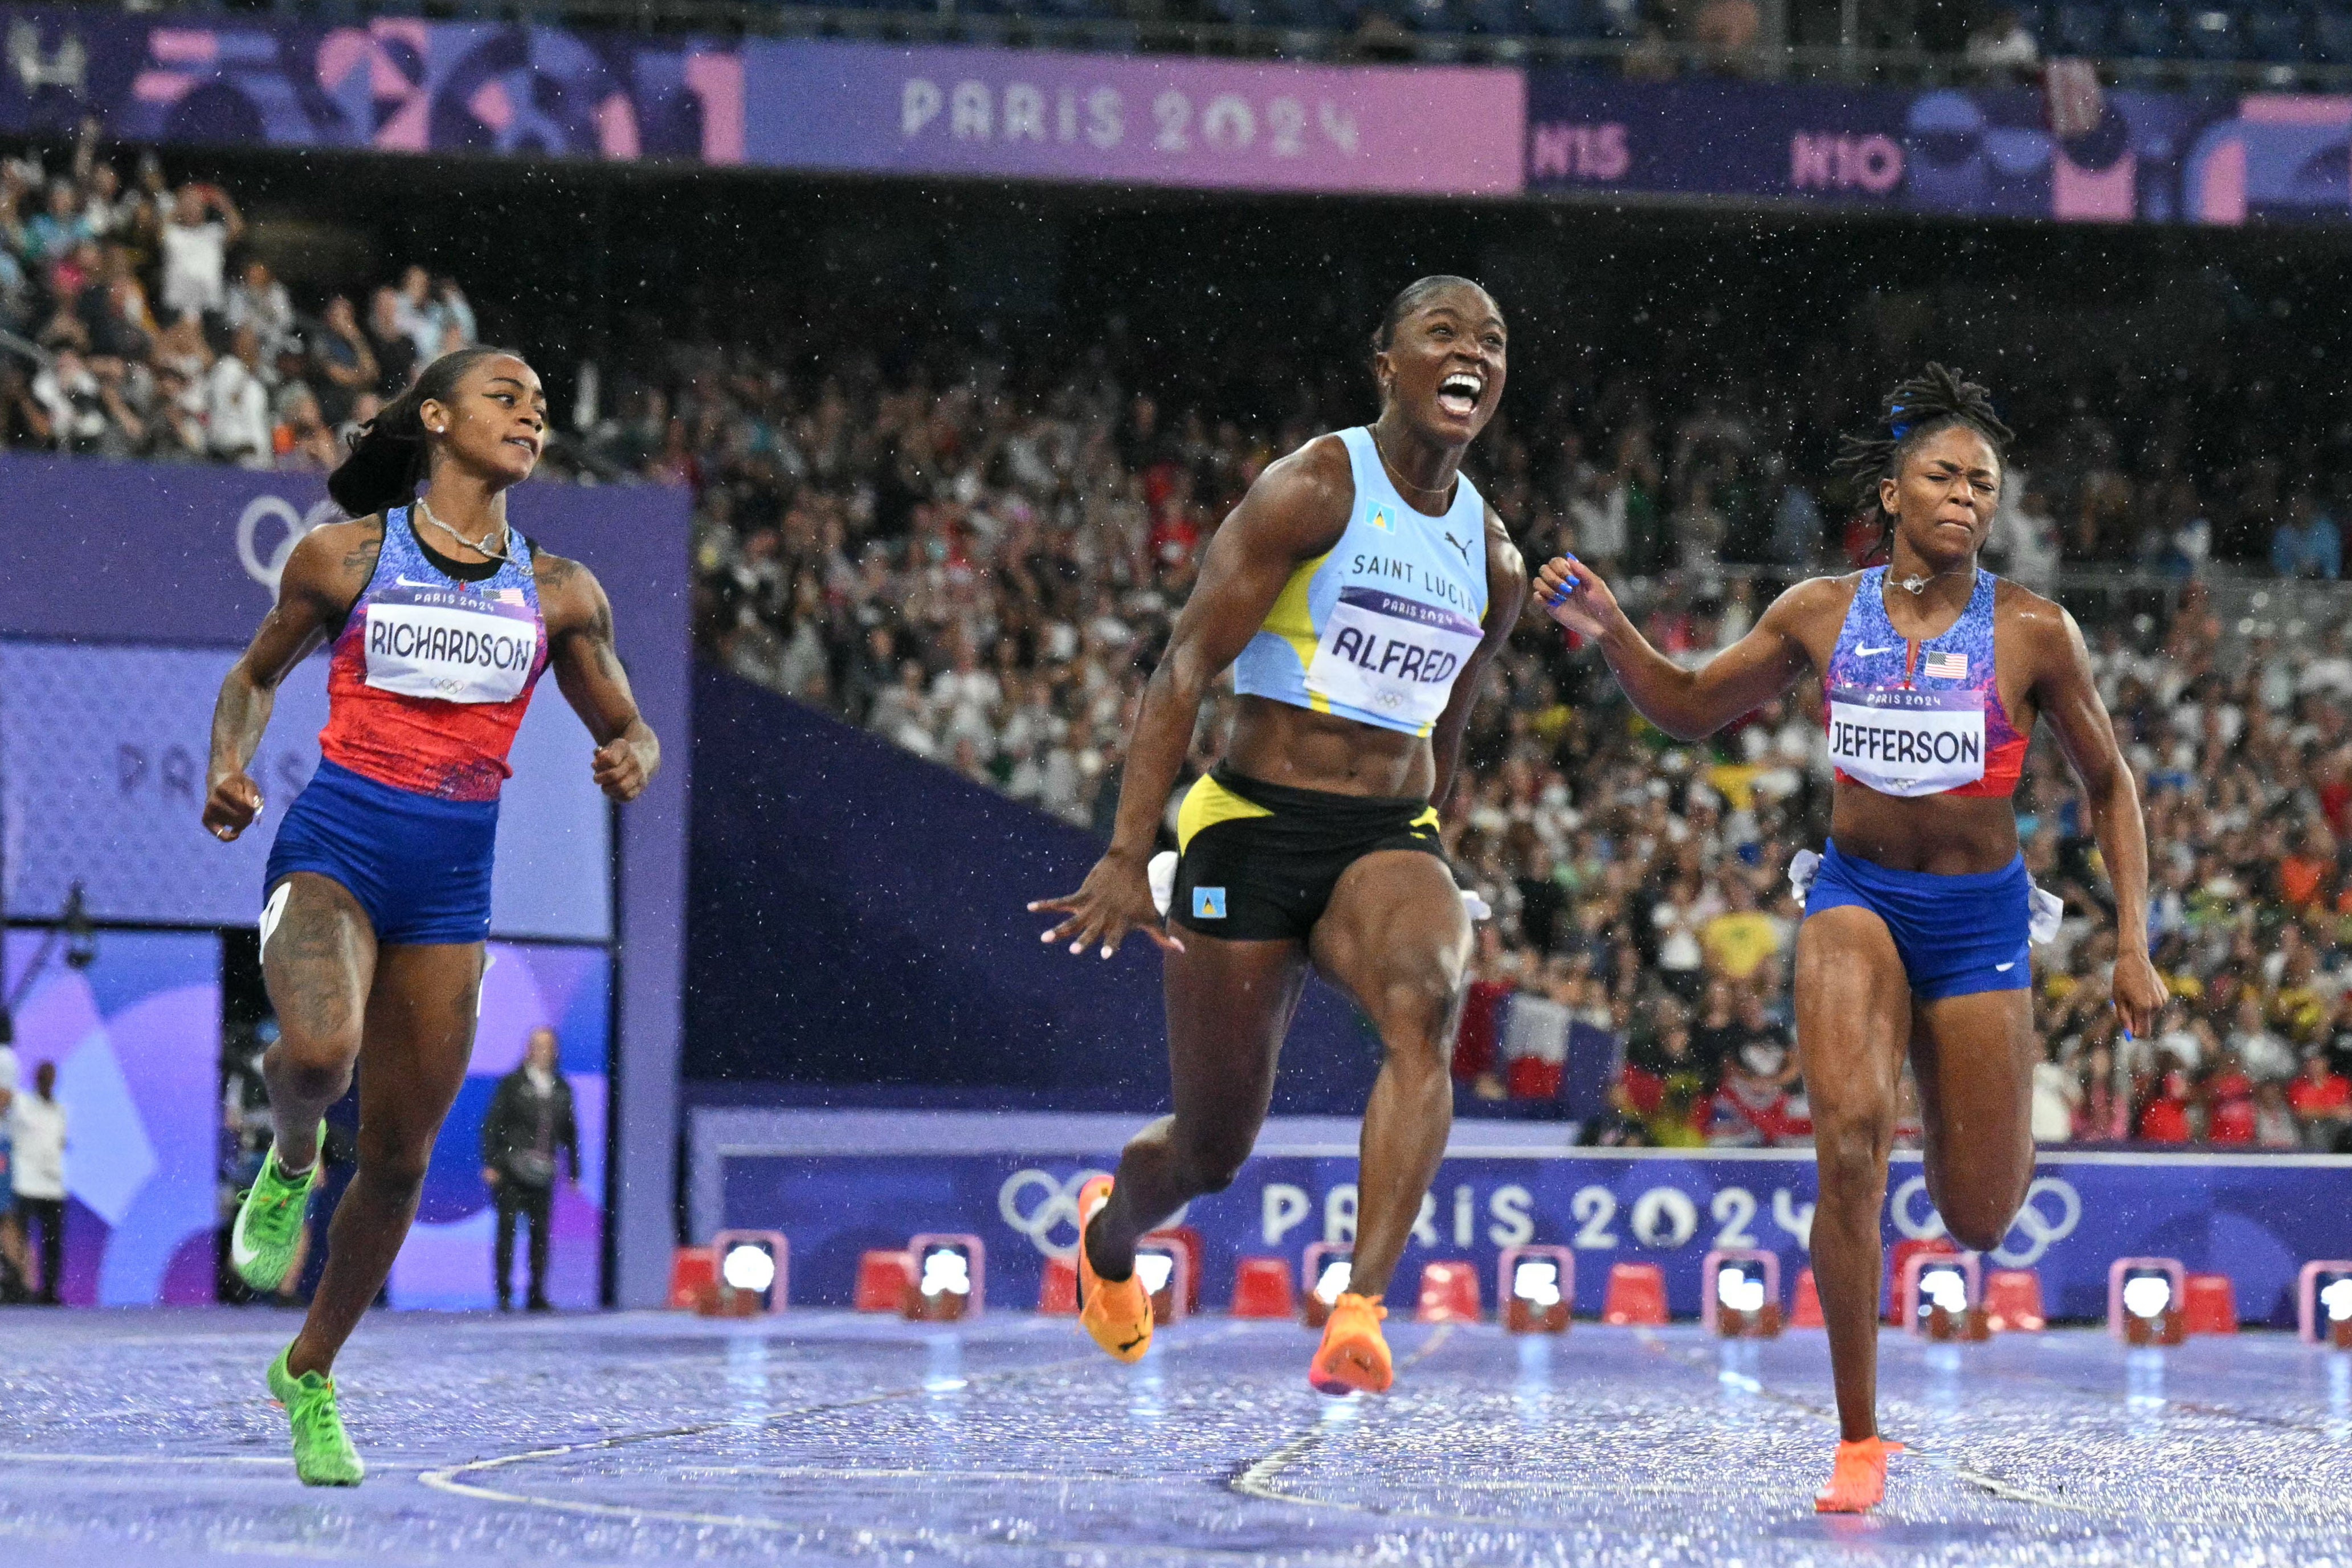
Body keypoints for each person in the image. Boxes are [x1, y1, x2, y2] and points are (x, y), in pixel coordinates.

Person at [1533, 364, 2164, 1513]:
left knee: (1979, 1215)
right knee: (1849, 1143)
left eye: (1984, 480)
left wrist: (2135, 940)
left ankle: (1954, 1078)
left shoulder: (2034, 629)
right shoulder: (1821, 611)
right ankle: (1860, 1437)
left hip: (1978, 922)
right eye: (1944, 474)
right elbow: (1685, 704)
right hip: (1858, 897)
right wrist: (1612, 625)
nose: (1967, 493)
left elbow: (2112, 786)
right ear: (1890, 493)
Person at [1031, 277, 1526, 1394]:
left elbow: (1452, 716)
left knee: (1424, 1002)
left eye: (1492, 342)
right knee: (1211, 1149)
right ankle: (1112, 1238)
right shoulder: (1313, 488)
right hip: (1252, 825)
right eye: (1442, 333)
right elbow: (1185, 669)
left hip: (1385, 834)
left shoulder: (1493, 561)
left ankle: (1360, 1306)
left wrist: (1428, 844)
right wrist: (1126, 850)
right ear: (1386, 363)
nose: (1471, 353)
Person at [202, 345, 659, 1484]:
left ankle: (308, 1372)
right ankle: (295, 1153)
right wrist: (230, 762)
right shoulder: (346, 555)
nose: (533, 416)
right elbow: (256, 675)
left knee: (403, 1156)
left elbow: (627, 715)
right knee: (318, 1046)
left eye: (543, 408)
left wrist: (635, 749)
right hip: (338, 849)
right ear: (441, 417)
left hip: (453, 882)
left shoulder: (561, 591)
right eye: (509, 398)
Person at [480, 1027, 579, 1312]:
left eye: (548, 1046)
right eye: (537, 1046)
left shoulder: (561, 1087)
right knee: (508, 1232)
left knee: (540, 1235)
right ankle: (504, 1293)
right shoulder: (511, 1084)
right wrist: (491, 1162)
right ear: (528, 1050)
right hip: (511, 1169)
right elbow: (492, 1125)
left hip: (544, 1171)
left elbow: (571, 1133)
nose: (542, 1052)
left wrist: (575, 1171)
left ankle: (537, 1292)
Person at [9, 1060, 68, 1304]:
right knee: (21, 1239)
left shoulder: (60, 1111)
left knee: (53, 1243)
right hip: (26, 1184)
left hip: (53, 1187)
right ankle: (19, 1288)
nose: (47, 1080)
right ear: (37, 1079)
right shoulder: (22, 1105)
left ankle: (50, 1291)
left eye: (51, 1077)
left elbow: (61, 1143)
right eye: (44, 1076)